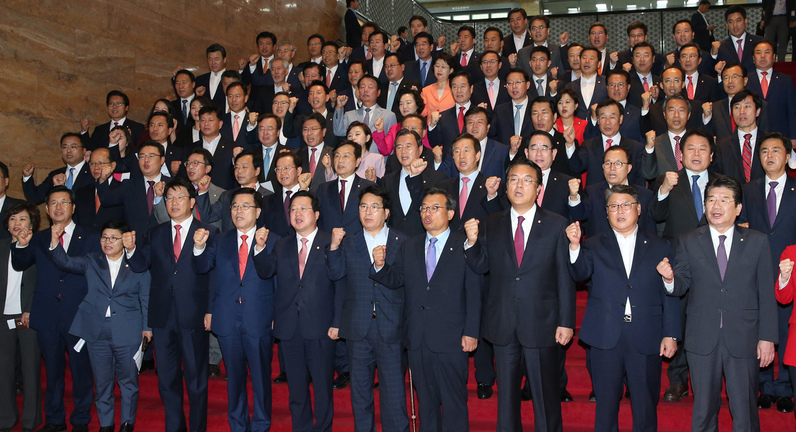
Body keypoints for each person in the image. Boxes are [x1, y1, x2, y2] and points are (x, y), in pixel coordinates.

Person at [463, 159, 575, 432]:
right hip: (503, 322)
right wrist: (471, 243)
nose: (519, 185)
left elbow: (565, 277)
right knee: (507, 403)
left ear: (538, 188)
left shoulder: (556, 224)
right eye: (513, 179)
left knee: (546, 400)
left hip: (542, 323)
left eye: (527, 180)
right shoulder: (491, 223)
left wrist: (566, 321)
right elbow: (481, 266)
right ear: (506, 186)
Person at [658, 175, 777, 432]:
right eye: (711, 199)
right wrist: (669, 279)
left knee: (744, 411)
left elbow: (766, 293)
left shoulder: (757, 241)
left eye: (724, 199)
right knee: (703, 410)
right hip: (702, 338)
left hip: (744, 337)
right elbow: (681, 285)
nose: (716, 205)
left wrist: (767, 338)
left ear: (738, 208)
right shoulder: (689, 239)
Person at [567, 184, 679, 432]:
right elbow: (579, 273)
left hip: (646, 334)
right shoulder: (594, 244)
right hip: (605, 335)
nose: (620, 210)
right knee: (605, 407)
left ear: (638, 209)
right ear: (606, 213)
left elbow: (669, 293)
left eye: (626, 205)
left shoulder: (660, 246)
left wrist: (670, 334)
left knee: (645, 407)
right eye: (613, 206)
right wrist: (574, 246)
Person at [372, 187, 481, 432]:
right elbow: (397, 279)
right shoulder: (410, 246)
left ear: (451, 213)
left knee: (453, 403)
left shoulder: (464, 244)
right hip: (417, 337)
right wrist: (380, 267)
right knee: (426, 404)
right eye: (423, 208)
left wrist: (472, 331)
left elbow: (474, 292)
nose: (427, 213)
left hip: (452, 338)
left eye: (434, 208)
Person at [39, 220, 150, 432]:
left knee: (128, 383)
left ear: (124, 239)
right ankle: (106, 425)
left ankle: (127, 423)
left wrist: (147, 329)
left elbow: (145, 299)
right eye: (104, 237)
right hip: (97, 331)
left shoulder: (137, 264)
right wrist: (54, 242)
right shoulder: (92, 260)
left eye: (113, 238)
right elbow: (65, 262)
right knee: (102, 383)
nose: (108, 242)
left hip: (128, 331)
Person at [127, 178, 217, 432]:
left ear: (191, 201)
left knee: (196, 379)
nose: (174, 203)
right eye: (169, 198)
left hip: (194, 314)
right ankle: (174, 427)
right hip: (163, 315)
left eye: (179, 198)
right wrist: (132, 249)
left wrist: (210, 309)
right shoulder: (155, 232)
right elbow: (139, 265)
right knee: (166, 379)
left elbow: (211, 272)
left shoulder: (208, 231)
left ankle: (197, 427)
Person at [252, 191, 343, 432]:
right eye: (293, 209)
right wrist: (259, 249)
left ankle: (323, 428)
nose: (297, 214)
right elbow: (266, 271)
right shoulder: (282, 244)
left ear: (316, 214)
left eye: (303, 209)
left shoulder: (330, 242)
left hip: (321, 327)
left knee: (323, 387)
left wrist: (337, 322)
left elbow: (340, 283)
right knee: (296, 388)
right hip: (289, 326)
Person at [11, 186, 98, 432]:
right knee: (53, 371)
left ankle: (81, 419)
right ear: (47, 209)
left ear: (72, 207)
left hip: (78, 314)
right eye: (53, 203)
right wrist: (21, 244)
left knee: (81, 371)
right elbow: (19, 264)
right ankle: (54, 420)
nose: (58, 207)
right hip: (47, 315)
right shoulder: (37, 238)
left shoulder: (90, 236)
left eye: (63, 202)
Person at [192, 188, 279, 432]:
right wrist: (198, 248)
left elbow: (278, 282)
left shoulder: (273, 240)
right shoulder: (220, 239)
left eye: (245, 206)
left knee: (261, 378)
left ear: (258, 211)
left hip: (259, 318)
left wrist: (276, 315)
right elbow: (205, 271)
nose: (238, 211)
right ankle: (238, 425)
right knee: (234, 379)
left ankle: (261, 424)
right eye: (234, 207)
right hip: (228, 318)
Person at [326, 185, 410, 432]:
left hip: (391, 327)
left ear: (386, 213)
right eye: (363, 206)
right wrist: (333, 247)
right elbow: (336, 274)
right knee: (360, 394)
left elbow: (404, 281)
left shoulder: (402, 242)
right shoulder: (348, 242)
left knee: (393, 394)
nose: (368, 212)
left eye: (374, 207)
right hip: (357, 327)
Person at [740, 132, 796, 412]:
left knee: (786, 330)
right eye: (763, 151)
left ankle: (785, 388)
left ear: (788, 156)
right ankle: (763, 386)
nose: (770, 156)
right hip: (757, 273)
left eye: (776, 150)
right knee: (759, 329)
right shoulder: (749, 189)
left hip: (790, 274)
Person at [0, 202, 41, 432]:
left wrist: (31, 309)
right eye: (13, 219)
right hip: (3, 316)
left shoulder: (40, 246)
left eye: (22, 219)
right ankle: (5, 419)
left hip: (29, 316)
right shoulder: (1, 247)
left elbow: (44, 284)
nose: (17, 224)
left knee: (30, 368)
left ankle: (30, 420)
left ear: (32, 223)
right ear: (7, 225)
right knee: (3, 369)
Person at [568, 146, 656, 239]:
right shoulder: (592, 192)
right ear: (603, 167)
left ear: (629, 168)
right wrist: (574, 196)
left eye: (618, 163)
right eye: (608, 163)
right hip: (599, 250)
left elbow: (650, 232)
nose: (612, 168)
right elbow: (579, 215)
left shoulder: (644, 195)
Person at [377, 129, 446, 237]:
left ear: (420, 149)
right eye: (399, 147)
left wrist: (415, 177)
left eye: (408, 146)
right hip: (394, 241)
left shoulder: (437, 178)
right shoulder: (387, 180)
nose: (403, 151)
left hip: (423, 240)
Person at [746, 40, 796, 144]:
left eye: (767, 52)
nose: (763, 56)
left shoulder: (786, 80)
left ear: (774, 57)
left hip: (781, 134)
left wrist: (793, 136)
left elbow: (792, 110)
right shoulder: (746, 80)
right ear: (753, 59)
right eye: (758, 53)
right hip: (754, 135)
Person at [22, 133, 92, 204]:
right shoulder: (55, 174)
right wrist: (27, 176)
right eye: (65, 147)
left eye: (73, 147)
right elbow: (34, 197)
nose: (68, 151)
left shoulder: (92, 172)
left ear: (84, 150)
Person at [80, 90, 145, 151]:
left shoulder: (137, 128)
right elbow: (89, 149)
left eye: (119, 103)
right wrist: (84, 131)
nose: (114, 106)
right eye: (111, 103)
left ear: (126, 108)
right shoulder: (99, 130)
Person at [372, 88, 430, 155]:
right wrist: (379, 131)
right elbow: (385, 151)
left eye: (408, 103)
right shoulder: (395, 127)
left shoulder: (427, 126)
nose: (404, 106)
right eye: (401, 104)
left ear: (417, 104)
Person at [713, 5, 765, 74]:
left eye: (738, 21)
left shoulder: (759, 42)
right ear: (727, 25)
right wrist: (713, 55)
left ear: (746, 21)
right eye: (731, 22)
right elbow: (712, 72)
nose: (735, 25)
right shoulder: (721, 47)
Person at [195, 44, 228, 112]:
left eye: (216, 59)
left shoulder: (232, 78)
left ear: (224, 60)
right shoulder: (200, 79)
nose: (213, 63)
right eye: (210, 59)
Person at [420, 53, 456, 118]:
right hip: (431, 126)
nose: (439, 70)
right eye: (437, 66)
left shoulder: (455, 89)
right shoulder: (426, 90)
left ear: (451, 70)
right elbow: (422, 113)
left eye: (443, 67)